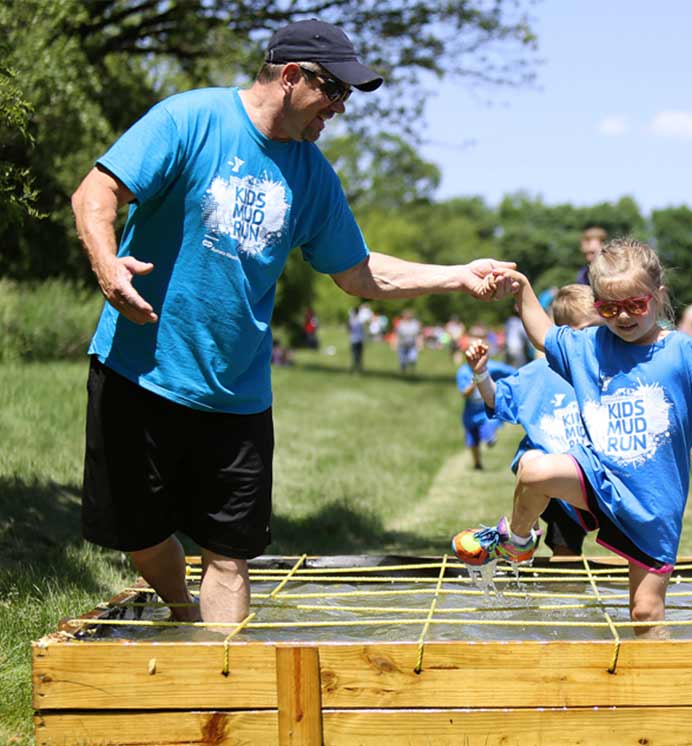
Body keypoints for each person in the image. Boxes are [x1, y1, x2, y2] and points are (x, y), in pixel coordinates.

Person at [71, 18, 515, 625]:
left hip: (238, 396)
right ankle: (182, 611)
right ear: (290, 77)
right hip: (139, 372)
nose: (339, 109)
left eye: (347, 97)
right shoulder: (189, 120)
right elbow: (95, 192)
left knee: (230, 556)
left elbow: (357, 272)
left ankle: (225, 685)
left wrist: (454, 275)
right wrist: (106, 263)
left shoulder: (312, 174)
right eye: (334, 92)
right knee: (140, 534)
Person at [453, 239, 692, 636]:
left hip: (653, 504)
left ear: (658, 296)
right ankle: (516, 540)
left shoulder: (682, 351)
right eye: (609, 308)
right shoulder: (590, 347)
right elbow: (544, 335)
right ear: (597, 305)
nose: (623, 317)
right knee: (534, 471)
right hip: (598, 476)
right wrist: (523, 288)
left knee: (645, 613)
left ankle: (657, 685)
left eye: (636, 305)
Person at [464, 285, 600, 556]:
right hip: (545, 476)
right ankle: (520, 537)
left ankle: (565, 591)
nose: (597, 337)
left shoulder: (609, 369)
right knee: (530, 461)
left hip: (582, 477)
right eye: (588, 330)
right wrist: (481, 375)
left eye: (602, 329)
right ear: (562, 335)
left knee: (568, 554)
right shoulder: (541, 372)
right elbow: (497, 399)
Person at [456, 327, 517, 471]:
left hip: (486, 410)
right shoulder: (463, 371)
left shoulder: (494, 367)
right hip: (470, 412)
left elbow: (513, 373)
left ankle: (489, 436)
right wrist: (476, 379)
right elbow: (464, 393)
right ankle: (477, 463)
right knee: (472, 441)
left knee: (488, 430)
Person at [393, 308, 422, 373]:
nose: (408, 316)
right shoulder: (400, 324)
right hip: (402, 345)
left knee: (413, 359)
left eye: (409, 315)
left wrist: (419, 344)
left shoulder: (415, 324)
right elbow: (396, 335)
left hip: (412, 345)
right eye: (406, 315)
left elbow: (419, 335)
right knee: (402, 361)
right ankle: (403, 370)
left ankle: (412, 370)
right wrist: (394, 344)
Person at [348, 302, 370, 372]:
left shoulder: (352, 320)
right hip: (359, 339)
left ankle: (356, 366)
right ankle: (358, 366)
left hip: (354, 339)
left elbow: (349, 329)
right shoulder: (360, 320)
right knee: (359, 354)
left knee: (355, 354)